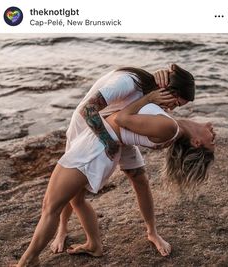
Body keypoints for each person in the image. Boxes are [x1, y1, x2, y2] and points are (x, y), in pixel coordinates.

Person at [12, 91, 215, 267]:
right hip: (114, 140)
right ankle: (92, 244)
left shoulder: (170, 128)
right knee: (75, 198)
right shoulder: (172, 123)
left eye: (212, 140)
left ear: (196, 143)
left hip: (100, 144)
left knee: (52, 206)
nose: (214, 133)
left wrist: (148, 98)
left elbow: (121, 119)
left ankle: (28, 261)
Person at [50, 64, 196, 255]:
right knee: (74, 192)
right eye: (175, 103)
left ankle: (152, 232)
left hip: (120, 129)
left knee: (140, 179)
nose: (171, 108)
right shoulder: (126, 82)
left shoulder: (153, 87)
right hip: (87, 129)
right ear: (168, 89)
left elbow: (148, 110)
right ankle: (62, 229)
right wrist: (108, 143)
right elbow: (87, 110)